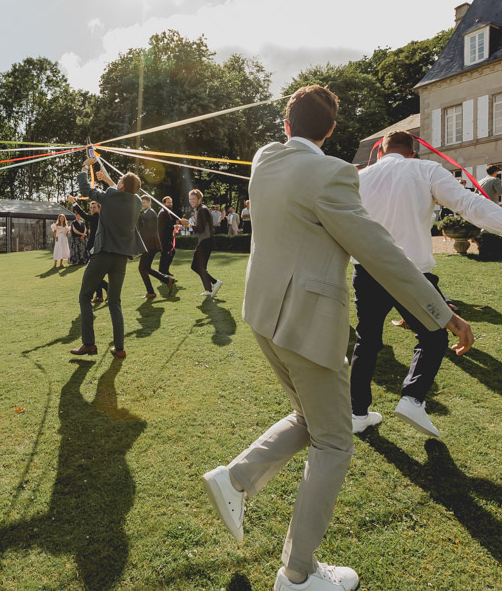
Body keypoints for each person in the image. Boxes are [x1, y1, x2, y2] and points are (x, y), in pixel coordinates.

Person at [201, 86, 473, 591]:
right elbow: (380, 253)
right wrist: (442, 314)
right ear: (330, 131)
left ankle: (235, 479)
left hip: (263, 317)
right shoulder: (332, 174)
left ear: (286, 125)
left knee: (312, 418)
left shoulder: (264, 160)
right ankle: (298, 574)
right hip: (306, 324)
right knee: (335, 440)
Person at [350, 130, 502, 440]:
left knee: (367, 342)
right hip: (412, 271)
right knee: (434, 336)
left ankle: (357, 414)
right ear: (412, 152)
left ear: (380, 152)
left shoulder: (358, 177)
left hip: (367, 269)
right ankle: (412, 398)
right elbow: (470, 204)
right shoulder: (424, 169)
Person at [70, 159, 145, 359]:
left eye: (119, 180)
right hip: (121, 259)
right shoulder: (137, 202)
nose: (116, 181)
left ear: (121, 186)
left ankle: (89, 344)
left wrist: (84, 167)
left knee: (85, 296)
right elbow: (122, 192)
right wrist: (109, 180)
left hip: (103, 254)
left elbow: (86, 189)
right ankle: (119, 348)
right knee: (115, 302)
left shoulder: (111, 195)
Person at [179, 190, 220, 298]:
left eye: (193, 199)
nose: (191, 201)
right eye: (190, 199)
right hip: (206, 241)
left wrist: (188, 225)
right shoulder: (200, 209)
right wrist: (189, 225)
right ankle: (208, 289)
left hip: (206, 241)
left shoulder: (202, 210)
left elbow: (200, 229)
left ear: (200, 199)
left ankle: (215, 282)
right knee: (201, 267)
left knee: (195, 266)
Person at [71, 196, 109, 302]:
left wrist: (74, 202)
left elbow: (84, 215)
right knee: (95, 273)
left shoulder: (97, 217)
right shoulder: (97, 217)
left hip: (97, 249)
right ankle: (99, 295)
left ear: (99, 208)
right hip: (94, 248)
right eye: (91, 208)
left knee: (93, 274)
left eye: (94, 207)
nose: (92, 209)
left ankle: (107, 289)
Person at [136, 195, 173, 298]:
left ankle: (151, 292)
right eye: (141, 203)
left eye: (144, 203)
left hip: (150, 245)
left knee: (142, 268)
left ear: (149, 203)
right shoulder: (145, 213)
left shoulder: (150, 213)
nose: (142, 205)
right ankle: (167, 280)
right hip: (148, 245)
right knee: (147, 268)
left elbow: (140, 217)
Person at [157, 196, 178, 276]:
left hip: (166, 238)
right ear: (163, 203)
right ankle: (162, 271)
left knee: (167, 254)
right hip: (164, 238)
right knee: (166, 254)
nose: (170, 204)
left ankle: (164, 270)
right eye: (168, 202)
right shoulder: (163, 213)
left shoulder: (166, 212)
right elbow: (164, 227)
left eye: (171, 202)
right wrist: (174, 227)